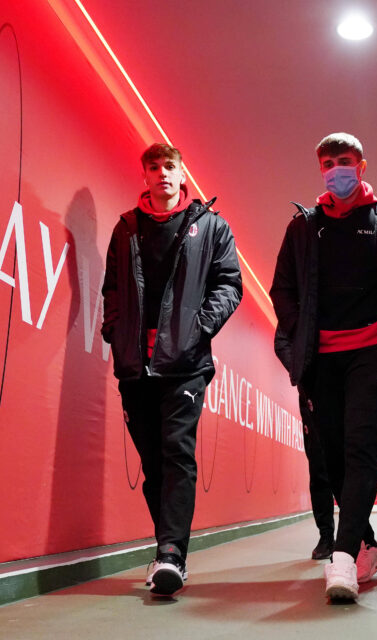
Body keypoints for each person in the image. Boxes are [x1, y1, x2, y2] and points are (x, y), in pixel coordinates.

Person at [270, 133, 377, 601]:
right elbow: (283, 290)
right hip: (321, 358)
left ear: (361, 167)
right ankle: (367, 544)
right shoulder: (303, 228)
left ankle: (342, 559)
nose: (335, 170)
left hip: (374, 352)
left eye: (343, 161)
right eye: (327, 163)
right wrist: (298, 343)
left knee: (361, 448)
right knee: (334, 457)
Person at [101, 143, 242, 597]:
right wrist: (114, 331)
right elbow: (111, 289)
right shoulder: (126, 228)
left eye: (170, 166)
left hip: (185, 363)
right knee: (152, 462)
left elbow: (229, 284)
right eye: (154, 167)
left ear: (182, 174)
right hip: (135, 366)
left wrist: (199, 329)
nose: (162, 173)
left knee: (177, 452)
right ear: (144, 176)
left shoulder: (211, 226)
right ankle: (167, 549)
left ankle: (171, 555)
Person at [299, 391, 335, 560]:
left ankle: (355, 538)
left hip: (344, 390)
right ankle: (326, 537)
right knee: (318, 473)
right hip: (311, 394)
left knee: (350, 472)